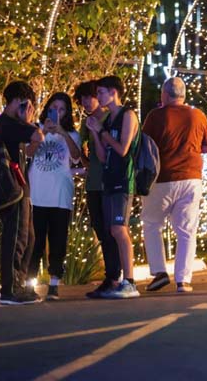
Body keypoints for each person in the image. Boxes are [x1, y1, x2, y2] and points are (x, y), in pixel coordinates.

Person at [141, 77, 207, 294]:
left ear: (164, 95)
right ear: (183, 95)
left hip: (162, 179)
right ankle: (184, 280)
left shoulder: (155, 116)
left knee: (152, 224)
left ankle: (160, 272)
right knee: (186, 231)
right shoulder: (197, 115)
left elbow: (146, 145)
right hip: (192, 178)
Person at [85, 75, 140, 299]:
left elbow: (122, 149)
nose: (97, 97)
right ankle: (117, 280)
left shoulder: (127, 115)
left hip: (123, 180)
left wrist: (103, 131)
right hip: (108, 179)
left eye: (100, 93)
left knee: (119, 229)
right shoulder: (106, 121)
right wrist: (96, 132)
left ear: (113, 92)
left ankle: (130, 281)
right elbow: (102, 156)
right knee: (111, 230)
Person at [0, 80, 44, 305]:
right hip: (12, 188)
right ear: (15, 101)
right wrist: (28, 123)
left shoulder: (14, 125)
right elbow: (38, 137)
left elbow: (32, 148)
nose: (28, 109)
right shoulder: (7, 124)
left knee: (29, 237)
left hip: (21, 186)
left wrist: (28, 125)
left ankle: (19, 284)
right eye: (25, 104)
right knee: (17, 238)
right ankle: (9, 289)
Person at [28, 92, 81, 301]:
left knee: (58, 241)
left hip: (60, 195)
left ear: (67, 113)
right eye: (53, 108)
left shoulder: (72, 134)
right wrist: (42, 133)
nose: (57, 113)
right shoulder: (36, 130)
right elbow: (29, 152)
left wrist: (62, 133)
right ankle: (29, 282)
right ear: (47, 109)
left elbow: (76, 157)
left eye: (61, 110)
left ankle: (54, 284)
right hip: (37, 194)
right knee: (35, 241)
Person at [75, 80, 121, 299]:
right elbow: (79, 153)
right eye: (82, 98)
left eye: (90, 96)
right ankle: (111, 276)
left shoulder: (109, 118)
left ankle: (114, 276)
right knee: (100, 230)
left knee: (111, 230)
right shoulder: (87, 122)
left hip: (109, 183)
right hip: (93, 182)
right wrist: (85, 161)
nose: (86, 101)